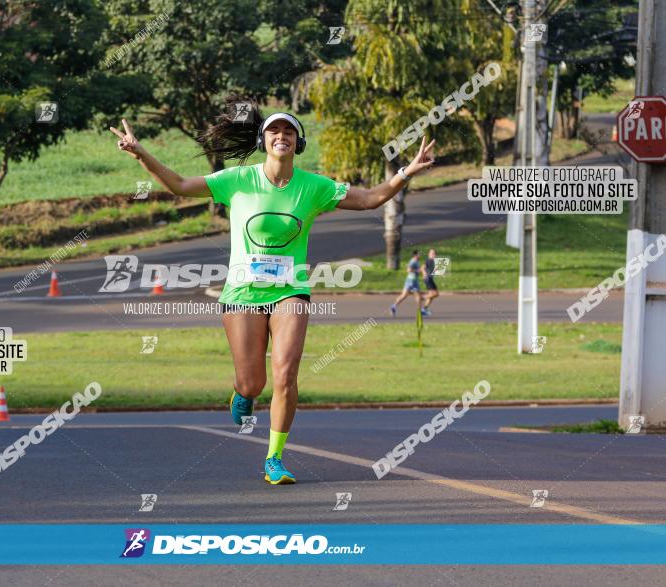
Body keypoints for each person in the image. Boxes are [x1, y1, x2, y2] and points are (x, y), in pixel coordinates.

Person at [109, 100, 435, 485]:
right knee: (254, 383)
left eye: (289, 132)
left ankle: (274, 458)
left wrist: (406, 172)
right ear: (264, 141)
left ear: (298, 143)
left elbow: (368, 199)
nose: (281, 136)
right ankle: (241, 392)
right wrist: (140, 152)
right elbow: (179, 185)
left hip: (290, 291)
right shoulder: (237, 180)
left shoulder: (314, 187)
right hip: (243, 294)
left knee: (285, 375)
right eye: (273, 131)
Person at [390, 250, 426, 318]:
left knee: (404, 295)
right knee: (418, 296)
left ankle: (393, 306)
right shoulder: (413, 261)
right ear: (415, 255)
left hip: (410, 280)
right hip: (412, 281)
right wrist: (418, 270)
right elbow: (408, 270)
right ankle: (420, 311)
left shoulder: (415, 261)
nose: (420, 255)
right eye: (419, 254)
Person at [422, 249, 440, 316]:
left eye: (435, 253)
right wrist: (424, 274)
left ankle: (424, 309)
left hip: (430, 279)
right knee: (435, 294)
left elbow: (435, 271)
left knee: (432, 295)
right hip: (428, 279)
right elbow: (422, 268)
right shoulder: (429, 260)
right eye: (432, 253)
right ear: (429, 254)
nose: (434, 255)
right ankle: (422, 297)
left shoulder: (433, 261)